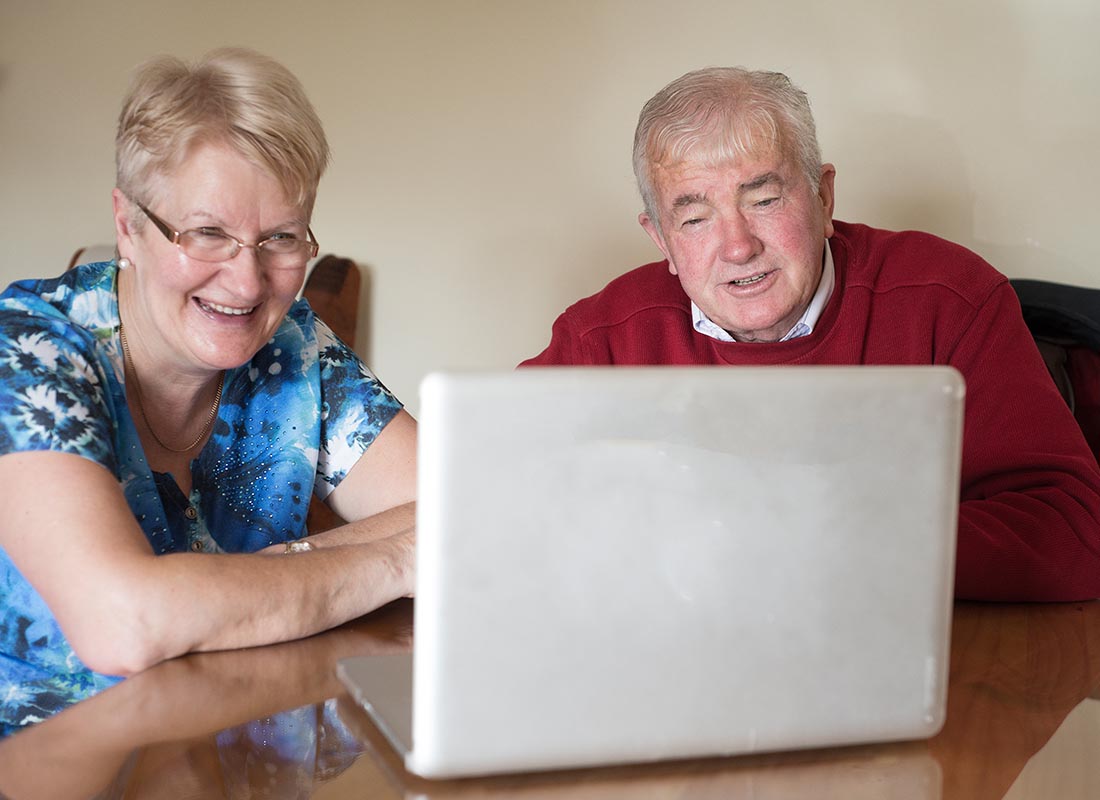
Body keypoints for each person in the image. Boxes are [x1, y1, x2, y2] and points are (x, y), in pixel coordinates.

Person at [521, 67, 1100, 602]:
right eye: (694, 218)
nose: (739, 246)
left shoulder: (949, 297)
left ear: (823, 197)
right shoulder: (601, 338)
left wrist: (818, 537)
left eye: (764, 199)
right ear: (661, 241)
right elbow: (493, 493)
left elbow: (1075, 532)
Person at [0, 48, 417, 736]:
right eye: (207, 233)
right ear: (127, 224)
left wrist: (277, 575)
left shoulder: (296, 348)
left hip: (236, 752)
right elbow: (122, 623)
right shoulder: (27, 350)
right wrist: (394, 557)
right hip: (52, 767)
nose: (247, 284)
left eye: (280, 238)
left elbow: (463, 516)